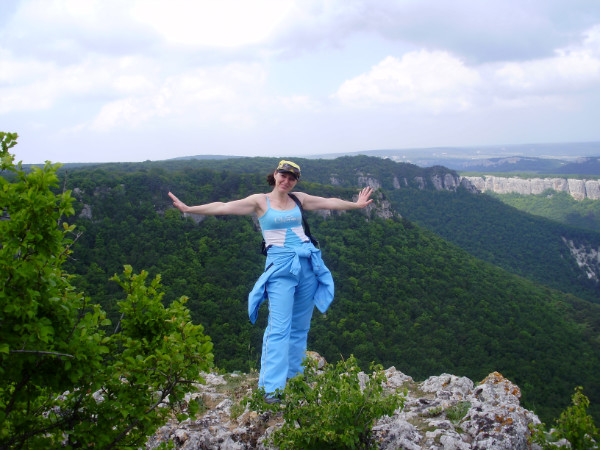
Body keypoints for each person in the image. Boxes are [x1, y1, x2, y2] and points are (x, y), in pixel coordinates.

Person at [168, 160, 373, 399]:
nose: (287, 181)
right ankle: (271, 390)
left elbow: (330, 202)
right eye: (283, 175)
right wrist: (189, 209)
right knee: (279, 328)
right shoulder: (260, 201)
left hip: (307, 264)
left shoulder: (299, 199)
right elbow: (223, 206)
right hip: (281, 268)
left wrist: (356, 205)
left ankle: (294, 379)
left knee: (300, 327)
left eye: (292, 178)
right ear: (275, 175)